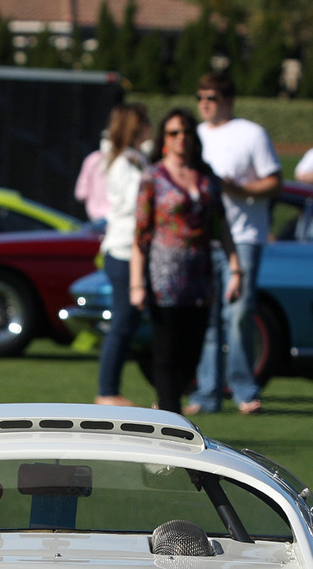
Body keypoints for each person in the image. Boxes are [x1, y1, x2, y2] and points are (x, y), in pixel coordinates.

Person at [131, 108, 242, 415]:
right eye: (173, 133)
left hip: (200, 278)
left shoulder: (207, 179)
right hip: (163, 279)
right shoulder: (152, 177)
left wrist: (236, 268)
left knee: (192, 354)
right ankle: (170, 418)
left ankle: (168, 407)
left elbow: (221, 227)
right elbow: (140, 234)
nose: (181, 138)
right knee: (166, 354)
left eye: (186, 132)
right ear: (164, 139)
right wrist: (136, 283)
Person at [187, 71, 280, 417]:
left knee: (239, 314)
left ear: (227, 100)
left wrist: (240, 190)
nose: (204, 104)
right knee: (207, 320)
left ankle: (243, 389)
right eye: (200, 97)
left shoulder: (252, 134)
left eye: (210, 97)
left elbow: (275, 183)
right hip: (205, 238)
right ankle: (207, 393)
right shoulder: (193, 136)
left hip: (243, 237)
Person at [93, 102, 150, 407]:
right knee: (123, 321)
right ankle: (107, 391)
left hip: (129, 248)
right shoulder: (125, 162)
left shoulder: (130, 158)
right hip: (124, 249)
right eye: (146, 122)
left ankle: (110, 389)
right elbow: (133, 202)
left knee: (129, 320)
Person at [74, 133, 111, 221]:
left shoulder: (121, 160)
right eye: (104, 139)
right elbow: (81, 192)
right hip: (96, 215)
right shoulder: (92, 159)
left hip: (113, 215)